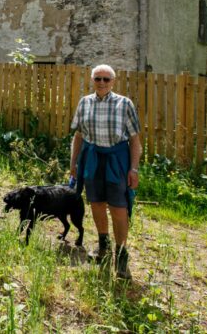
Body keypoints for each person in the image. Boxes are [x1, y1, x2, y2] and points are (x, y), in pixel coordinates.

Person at [69, 64, 142, 280]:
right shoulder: (85, 103)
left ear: (113, 81)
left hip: (116, 161)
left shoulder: (124, 104)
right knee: (96, 203)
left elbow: (135, 140)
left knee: (119, 208)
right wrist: (73, 162)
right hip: (92, 158)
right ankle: (103, 247)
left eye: (106, 79)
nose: (101, 83)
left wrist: (134, 168)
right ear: (92, 80)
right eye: (98, 79)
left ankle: (121, 255)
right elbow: (79, 135)